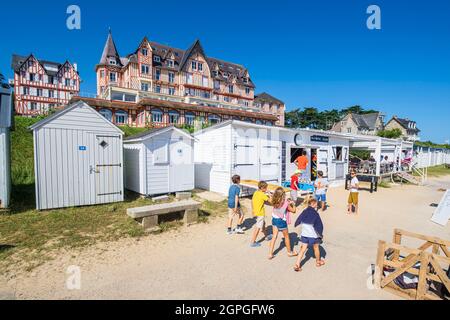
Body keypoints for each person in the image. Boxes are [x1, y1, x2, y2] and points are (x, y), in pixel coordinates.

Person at [293, 198, 325, 272]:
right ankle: (318, 262)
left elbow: (299, 219)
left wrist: (296, 223)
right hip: (313, 235)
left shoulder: (305, 211)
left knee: (302, 249)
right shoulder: (315, 213)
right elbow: (319, 225)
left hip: (304, 234)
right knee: (316, 248)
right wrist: (320, 234)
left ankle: (297, 264)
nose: (317, 205)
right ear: (313, 204)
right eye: (316, 204)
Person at [268, 187, 298, 259]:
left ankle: (270, 253)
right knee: (286, 237)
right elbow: (293, 211)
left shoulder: (273, 201)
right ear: (283, 195)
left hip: (274, 219)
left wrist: (269, 194)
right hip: (281, 221)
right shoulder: (285, 203)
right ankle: (289, 252)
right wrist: (292, 204)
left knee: (274, 236)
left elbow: (271, 198)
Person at [250, 181, 273, 247]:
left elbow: (252, 201)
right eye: (266, 188)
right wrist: (269, 194)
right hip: (260, 213)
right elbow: (271, 201)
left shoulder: (256, 192)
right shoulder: (263, 195)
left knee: (263, 224)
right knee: (258, 227)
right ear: (262, 188)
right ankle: (253, 242)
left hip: (256, 212)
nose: (266, 189)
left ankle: (266, 236)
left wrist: (253, 210)